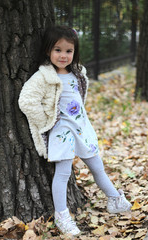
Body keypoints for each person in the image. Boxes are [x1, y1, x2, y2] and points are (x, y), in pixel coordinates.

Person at [18, 25, 132, 236]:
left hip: (81, 127)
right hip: (62, 131)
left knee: (97, 165)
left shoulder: (78, 74)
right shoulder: (44, 77)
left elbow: (79, 100)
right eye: (58, 50)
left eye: (68, 51)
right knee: (63, 173)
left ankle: (115, 199)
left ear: (74, 52)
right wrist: (47, 121)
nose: (63, 55)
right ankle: (62, 215)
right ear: (47, 51)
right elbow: (26, 100)